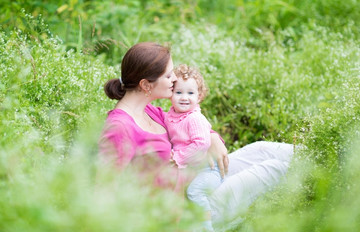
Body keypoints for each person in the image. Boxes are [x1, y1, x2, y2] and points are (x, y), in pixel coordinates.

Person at [98, 42, 294, 231]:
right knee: (273, 169)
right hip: (191, 211)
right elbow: (104, 190)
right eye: (168, 75)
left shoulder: (150, 111)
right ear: (145, 84)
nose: (175, 79)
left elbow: (187, 123)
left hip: (199, 176)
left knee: (262, 150)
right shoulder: (119, 128)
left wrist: (213, 137)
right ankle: (320, 176)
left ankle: (319, 152)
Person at [164, 64, 222, 231]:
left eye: (190, 93)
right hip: (192, 169)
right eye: (179, 92)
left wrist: (178, 157)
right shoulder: (171, 115)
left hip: (209, 170)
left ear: (199, 96)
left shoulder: (194, 118)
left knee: (194, 192)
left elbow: (201, 143)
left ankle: (207, 227)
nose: (184, 97)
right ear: (171, 94)